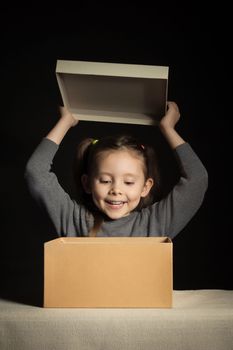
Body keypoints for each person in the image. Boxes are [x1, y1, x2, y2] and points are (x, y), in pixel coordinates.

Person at [24, 101, 208, 238]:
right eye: (105, 180)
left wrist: (168, 128)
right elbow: (36, 171)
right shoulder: (75, 220)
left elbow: (197, 179)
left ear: (145, 187)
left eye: (128, 182)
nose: (116, 190)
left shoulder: (155, 223)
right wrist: (65, 121)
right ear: (87, 183)